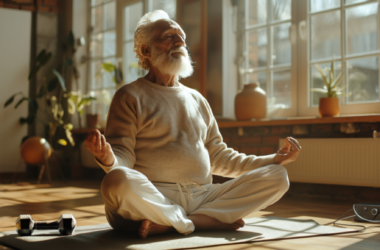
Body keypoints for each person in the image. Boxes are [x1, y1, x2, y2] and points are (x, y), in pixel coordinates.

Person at [85, 10, 302, 239]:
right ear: (145, 50)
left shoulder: (198, 99)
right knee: (115, 181)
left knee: (278, 176)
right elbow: (123, 159)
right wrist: (107, 157)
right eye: (169, 36)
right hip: (154, 196)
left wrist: (273, 160)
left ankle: (179, 223)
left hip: (203, 196)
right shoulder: (129, 95)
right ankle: (203, 220)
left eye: (182, 38)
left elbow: (219, 157)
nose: (179, 42)